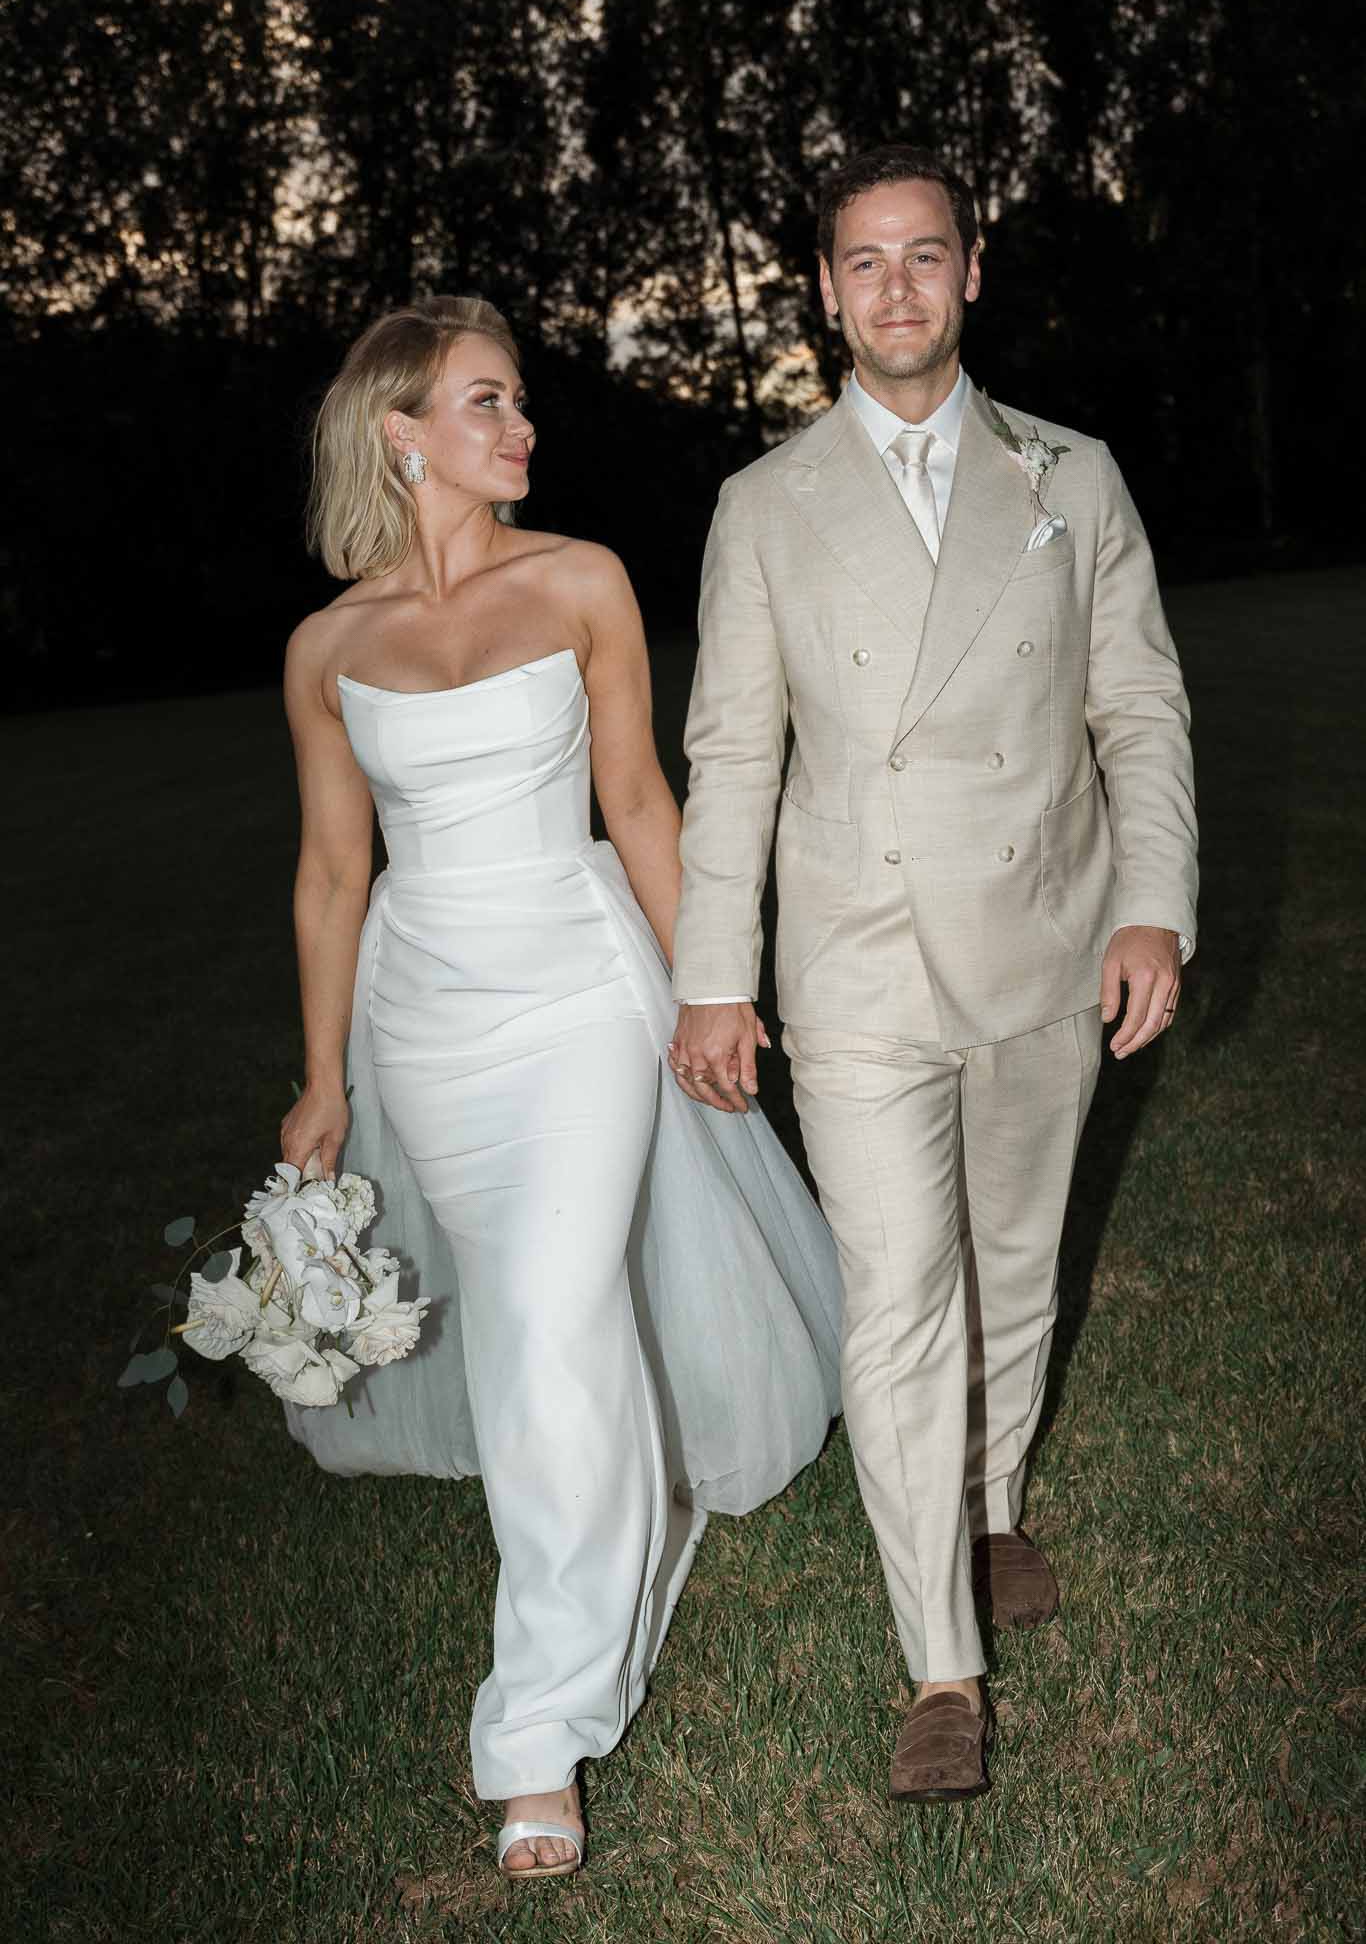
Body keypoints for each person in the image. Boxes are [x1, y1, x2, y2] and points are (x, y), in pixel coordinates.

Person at [277, 295, 841, 1876]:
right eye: (482, 403)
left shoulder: (581, 580)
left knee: (545, 1314)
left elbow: (643, 803)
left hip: (582, 993)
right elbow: (331, 876)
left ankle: (536, 1728)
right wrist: (322, 1081)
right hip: (426, 1020)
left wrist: (709, 990)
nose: (519, 429)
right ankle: (594, 1534)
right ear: (399, 433)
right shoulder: (328, 646)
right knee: (539, 1333)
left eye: (518, 401)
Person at [668, 146, 1198, 1803]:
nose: (896, 287)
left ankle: (990, 1507)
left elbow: (1139, 709)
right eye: (862, 262)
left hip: (1046, 926)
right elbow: (731, 751)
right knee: (900, 1297)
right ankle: (939, 1668)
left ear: (969, 274)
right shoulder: (762, 504)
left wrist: (1151, 907)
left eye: (925, 255)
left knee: (1018, 1255)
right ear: (824, 291)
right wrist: (711, 972)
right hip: (858, 956)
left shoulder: (1071, 476)